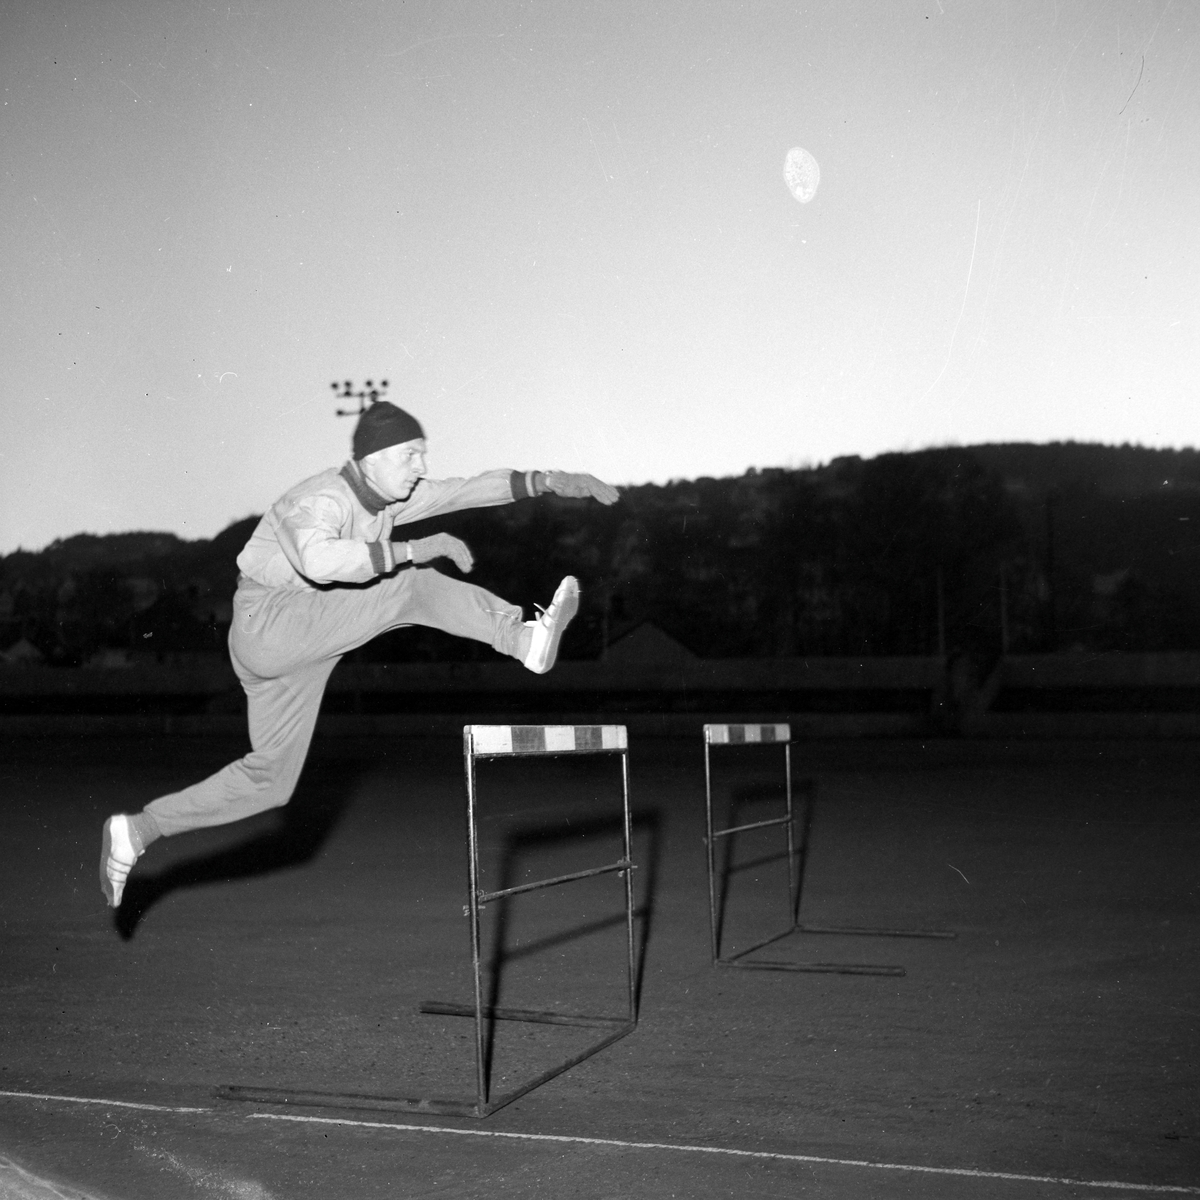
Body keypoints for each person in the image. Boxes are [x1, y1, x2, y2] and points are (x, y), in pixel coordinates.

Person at [100, 401, 619, 908]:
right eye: (411, 455)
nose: (422, 467)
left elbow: (462, 491)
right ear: (373, 459)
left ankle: (139, 829)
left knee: (270, 781)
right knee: (409, 586)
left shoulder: (391, 495)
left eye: (424, 454)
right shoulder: (318, 498)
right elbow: (319, 560)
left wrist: (545, 481)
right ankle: (521, 638)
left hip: (303, 646)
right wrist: (408, 551)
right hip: (271, 624)